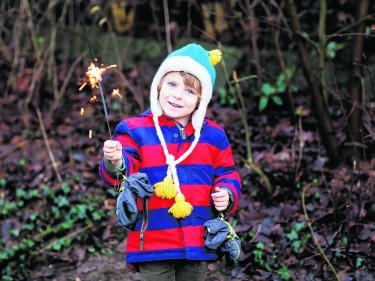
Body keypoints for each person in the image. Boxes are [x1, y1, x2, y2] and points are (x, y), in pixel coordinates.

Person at [99, 43, 241, 281]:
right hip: (153, 239)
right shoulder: (136, 130)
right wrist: (114, 160)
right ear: (158, 86)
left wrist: (227, 192)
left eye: (189, 91)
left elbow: (227, 173)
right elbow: (121, 172)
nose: (177, 95)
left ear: (200, 100)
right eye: (172, 84)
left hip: (198, 238)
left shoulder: (213, 136)